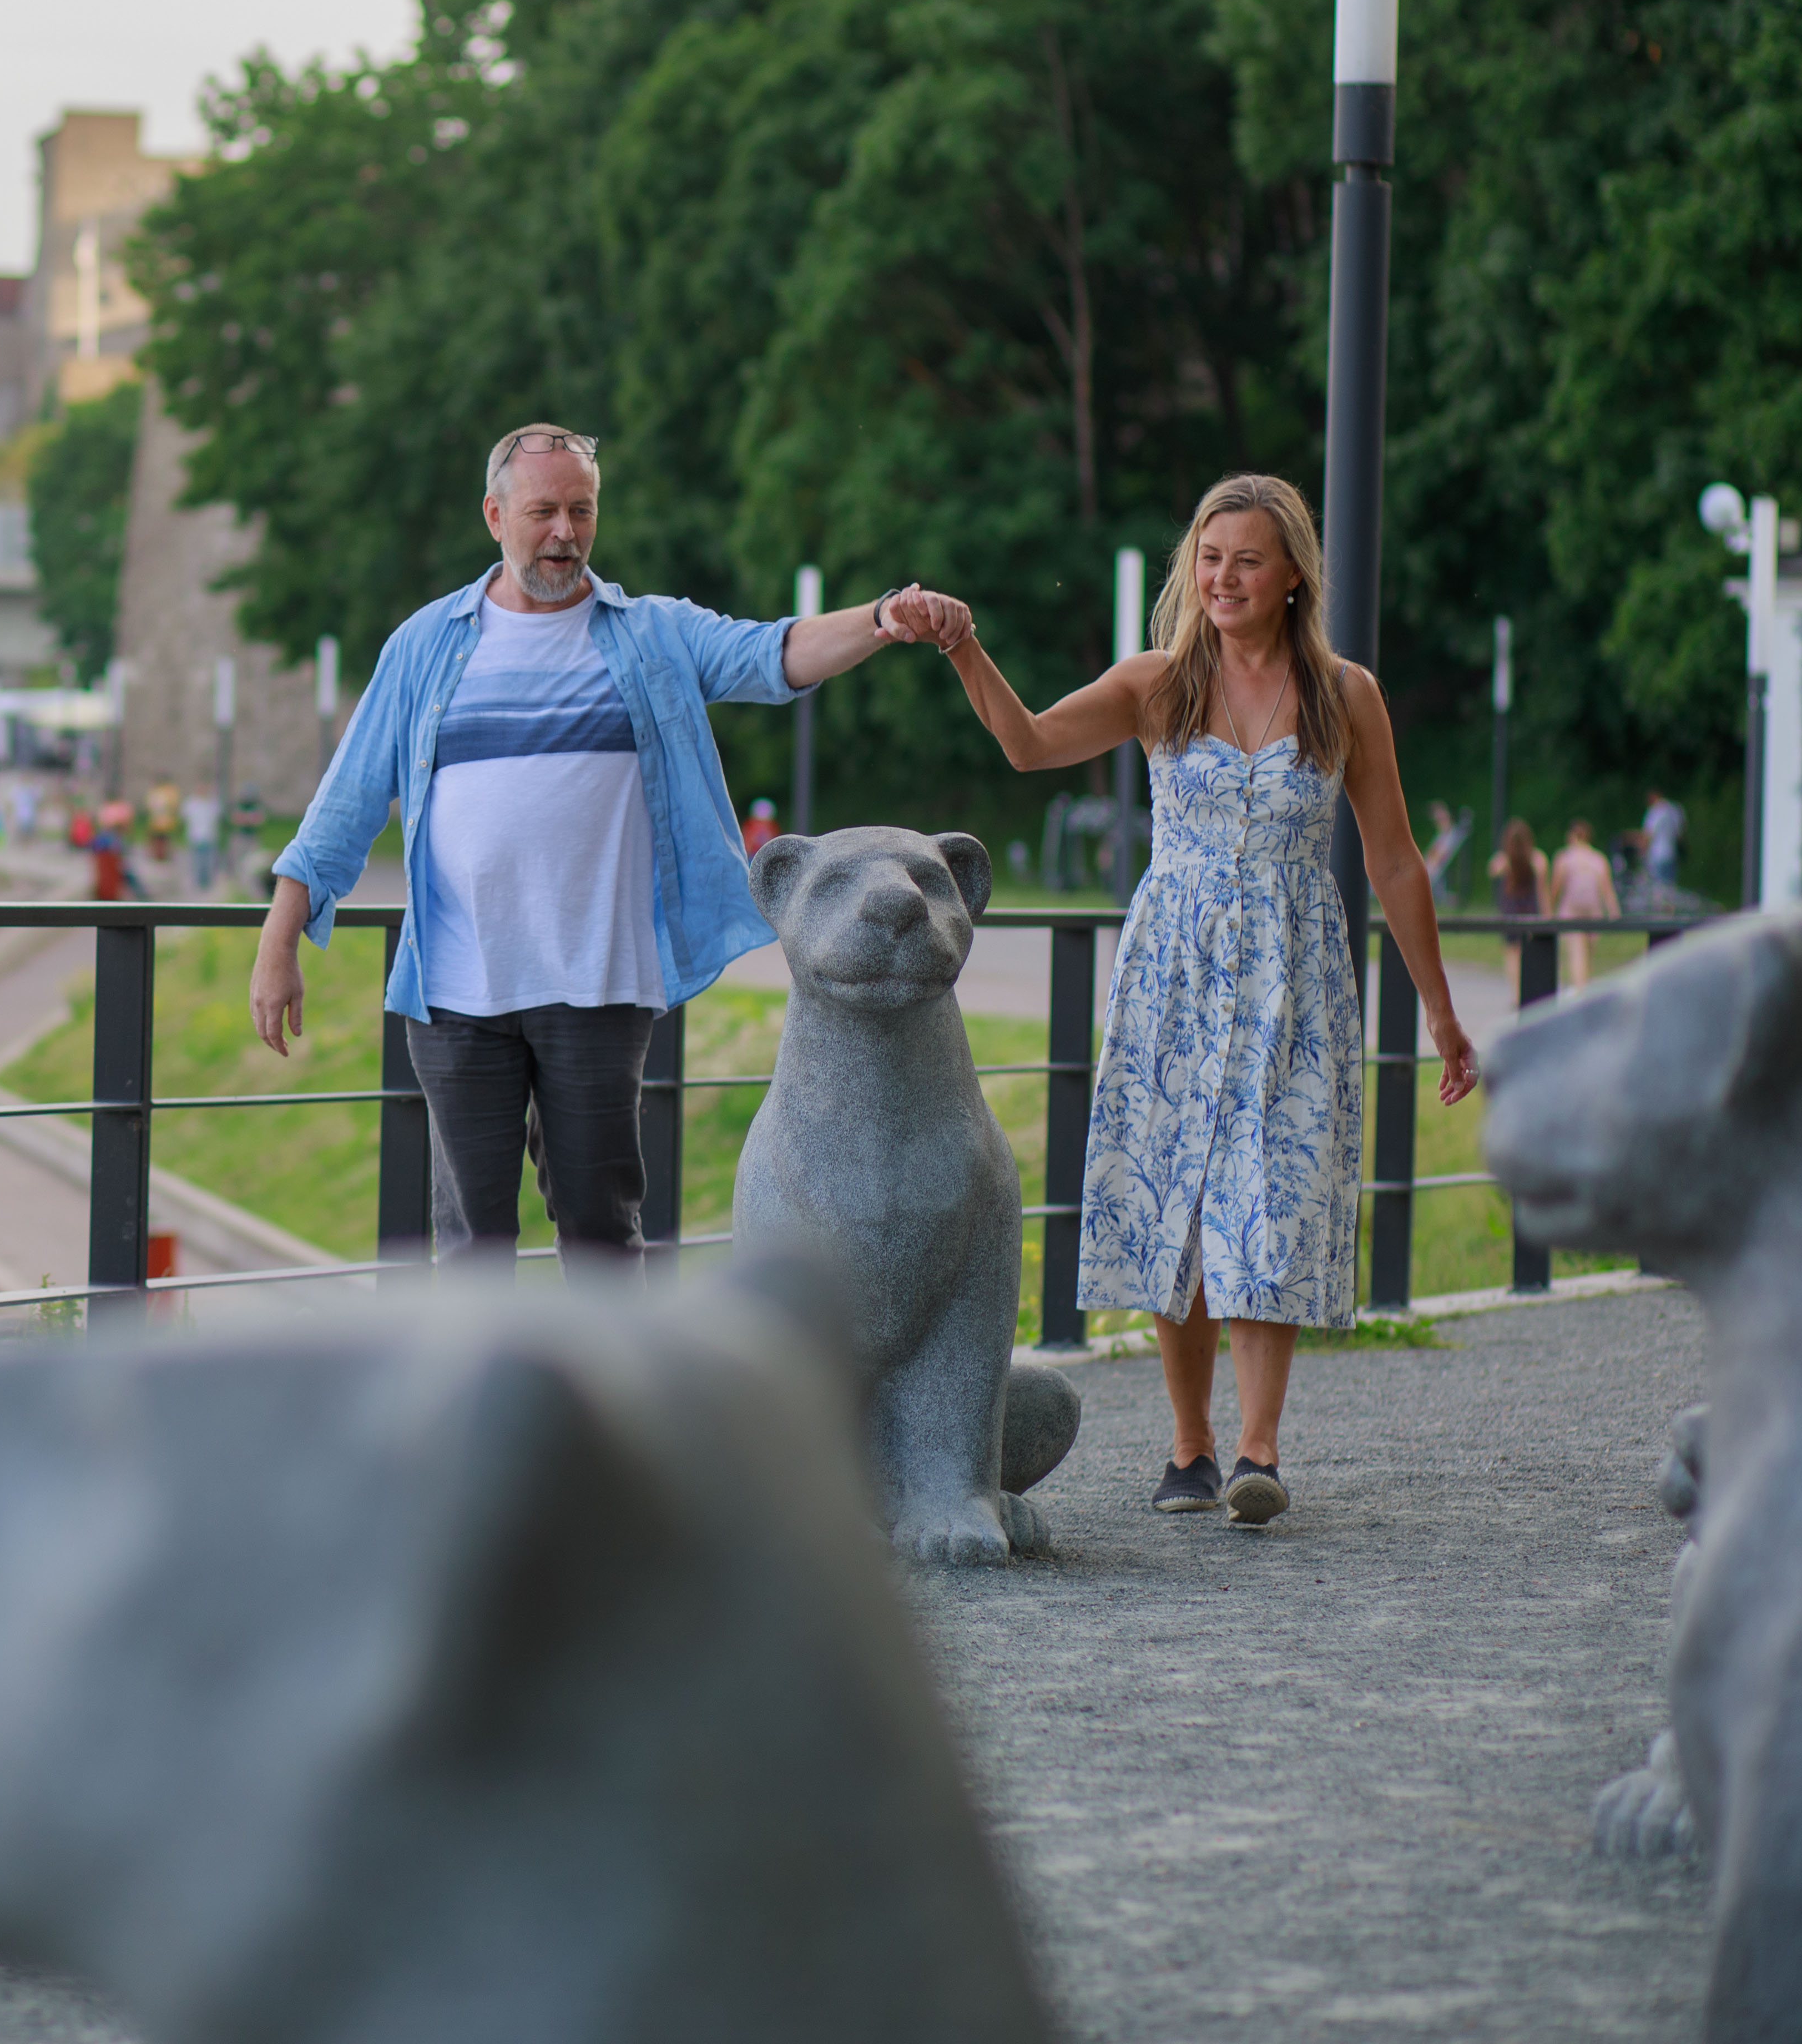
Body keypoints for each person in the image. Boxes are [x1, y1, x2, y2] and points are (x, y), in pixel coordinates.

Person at [907, 473, 1477, 1529]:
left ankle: (1258, 1450)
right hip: (1174, 968)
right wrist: (962, 648)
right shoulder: (1157, 682)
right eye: (1210, 559)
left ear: (1293, 574)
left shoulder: (1345, 695)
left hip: (1296, 975)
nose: (1223, 578)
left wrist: (1439, 1010)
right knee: (1179, 1204)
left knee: (1271, 1202)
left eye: (1247, 560)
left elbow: (1395, 862)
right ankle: (1190, 1446)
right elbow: (1027, 744)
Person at [248, 423, 945, 1283]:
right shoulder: (425, 646)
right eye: (543, 511)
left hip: (600, 987)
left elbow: (773, 653)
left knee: (602, 1234)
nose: (565, 533)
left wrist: (881, 618)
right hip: (460, 994)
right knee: (472, 1249)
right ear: (494, 516)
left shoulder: (650, 635)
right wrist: (279, 939)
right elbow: (345, 803)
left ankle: (609, 1416)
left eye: (582, 510)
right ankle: (489, 1417)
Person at [1551, 817, 1621, 992]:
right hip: (1593, 911)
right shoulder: (1598, 859)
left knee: (1577, 955)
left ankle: (1580, 992)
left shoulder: (1565, 858)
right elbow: (1607, 889)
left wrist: (1549, 910)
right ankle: (1585, 989)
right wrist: (1614, 912)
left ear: (1571, 835)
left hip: (1571, 910)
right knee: (1588, 956)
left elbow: (1556, 888)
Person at [1492, 818, 1545, 919]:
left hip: (1512, 911)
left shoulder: (1504, 861)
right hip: (1530, 911)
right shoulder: (1538, 860)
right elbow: (1542, 895)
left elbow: (1493, 869)